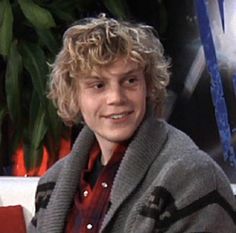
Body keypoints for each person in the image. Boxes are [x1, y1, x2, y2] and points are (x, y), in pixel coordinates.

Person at [29, 14, 236, 233]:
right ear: (74, 95)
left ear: (148, 86)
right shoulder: (51, 184)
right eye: (98, 85)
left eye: (129, 81)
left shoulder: (194, 177)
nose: (116, 97)